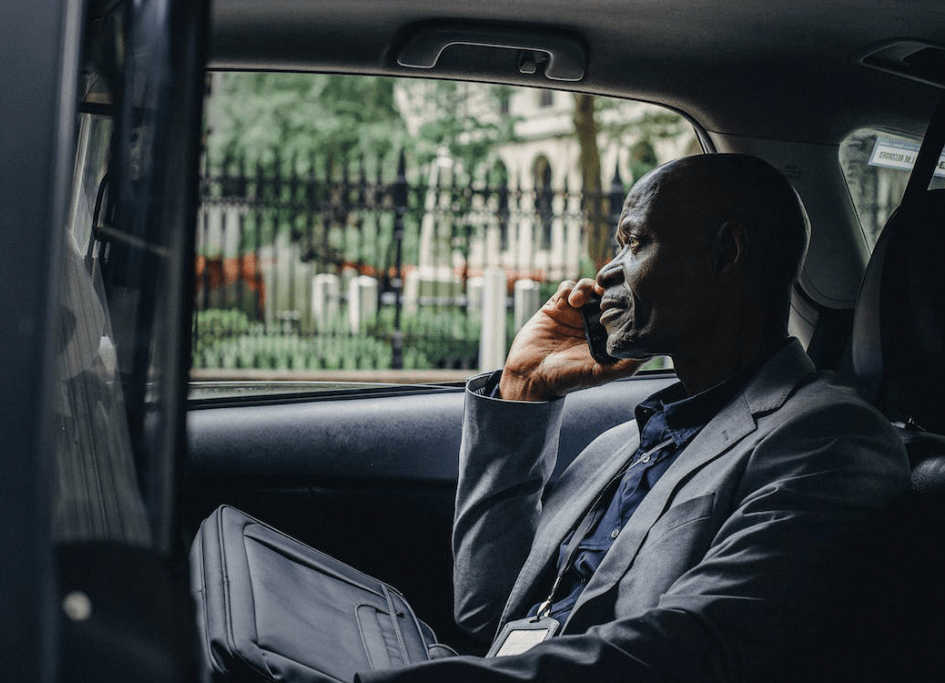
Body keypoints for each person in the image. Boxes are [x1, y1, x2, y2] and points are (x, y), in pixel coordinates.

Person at [357, 154, 909, 683]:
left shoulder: (830, 439)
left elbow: (694, 651)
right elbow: (486, 611)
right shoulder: (621, 444)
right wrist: (524, 388)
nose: (607, 271)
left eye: (635, 242)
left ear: (727, 253)